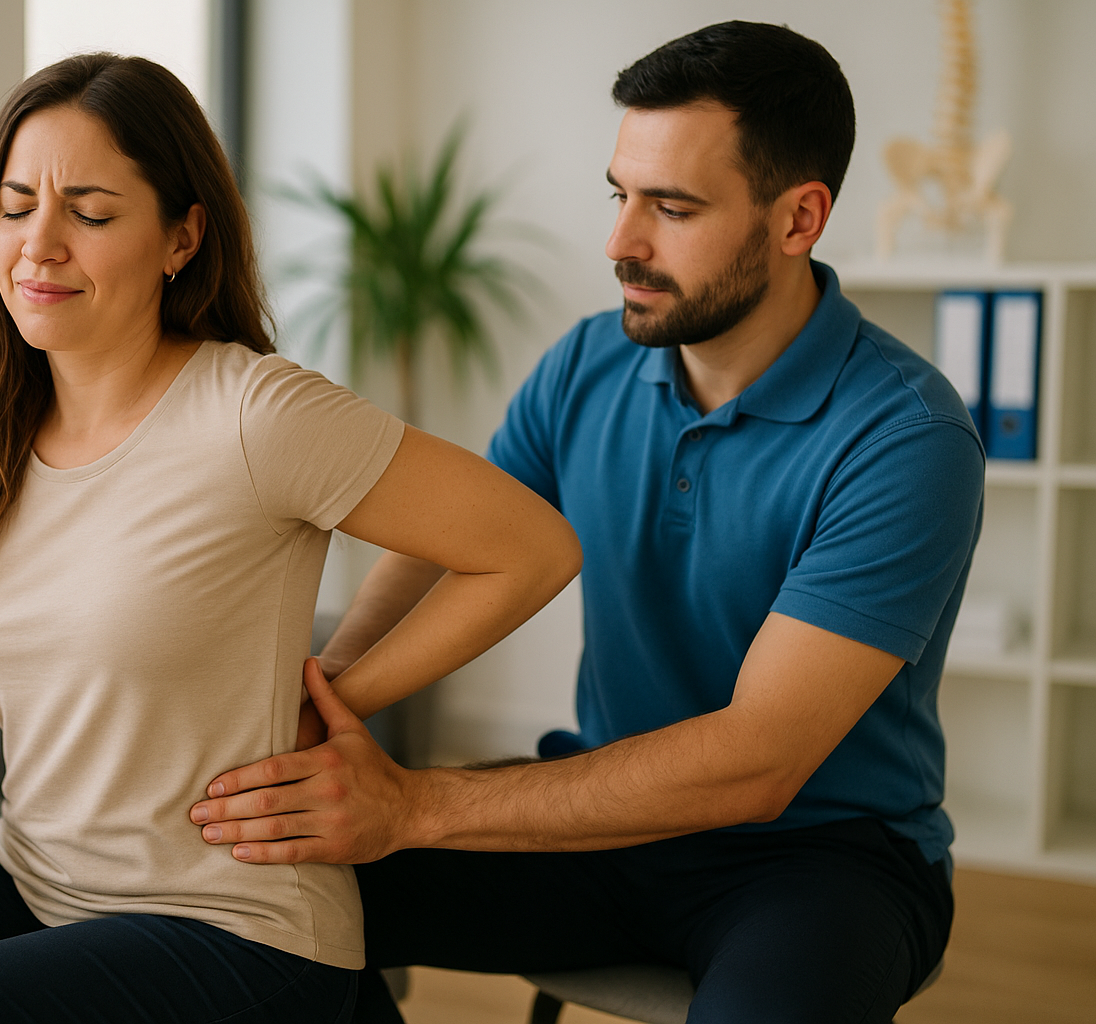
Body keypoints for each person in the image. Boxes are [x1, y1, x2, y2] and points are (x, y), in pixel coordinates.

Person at [0, 53, 581, 1024]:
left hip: (237, 924)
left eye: (92, 213)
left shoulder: (254, 413)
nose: (39, 245)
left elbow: (531, 548)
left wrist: (335, 697)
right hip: (37, 880)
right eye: (16, 204)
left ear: (181, 237)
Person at [188, 21, 984, 1024]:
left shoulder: (907, 436)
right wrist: (326, 697)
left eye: (674, 207)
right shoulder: (586, 362)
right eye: (622, 195)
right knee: (246, 904)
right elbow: (448, 549)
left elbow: (758, 761)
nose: (621, 243)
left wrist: (417, 805)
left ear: (798, 219)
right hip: (599, 821)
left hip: (825, 858)